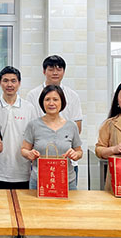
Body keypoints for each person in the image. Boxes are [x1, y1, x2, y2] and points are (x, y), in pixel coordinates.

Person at [26, 55, 83, 185]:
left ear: (64, 71)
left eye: (59, 69)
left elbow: (77, 127)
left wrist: (62, 139)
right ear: (44, 71)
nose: (55, 72)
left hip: (66, 161)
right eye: (51, 69)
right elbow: (30, 129)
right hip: (41, 161)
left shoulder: (73, 95)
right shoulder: (33, 95)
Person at [21, 85, 82, 191]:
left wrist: (75, 155)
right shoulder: (33, 125)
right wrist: (29, 154)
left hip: (66, 181)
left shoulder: (71, 126)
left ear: (62, 102)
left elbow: (79, 151)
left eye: (55, 99)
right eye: (47, 99)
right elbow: (24, 150)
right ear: (42, 102)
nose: (51, 103)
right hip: (39, 182)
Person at [0, 66, 37, 189]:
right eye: (5, 80)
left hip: (23, 172)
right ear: (0, 82)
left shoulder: (29, 108)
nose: (9, 84)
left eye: (13, 81)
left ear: (19, 83)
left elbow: (35, 138)